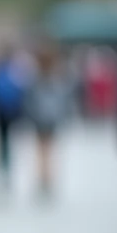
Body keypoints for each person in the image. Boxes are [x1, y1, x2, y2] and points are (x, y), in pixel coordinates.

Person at [24, 45, 74, 198]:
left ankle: (43, 178)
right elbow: (64, 101)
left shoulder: (35, 79)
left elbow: (29, 101)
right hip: (52, 119)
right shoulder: (57, 78)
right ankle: (48, 179)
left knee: (41, 151)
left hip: (39, 119)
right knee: (50, 150)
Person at [0, 45, 26, 191]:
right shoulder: (14, 72)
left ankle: (1, 168)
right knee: (8, 142)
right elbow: (20, 93)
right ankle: (7, 168)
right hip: (10, 113)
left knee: (1, 141)